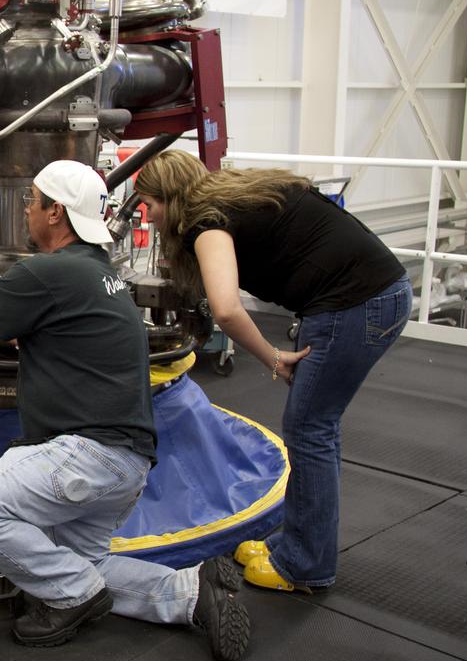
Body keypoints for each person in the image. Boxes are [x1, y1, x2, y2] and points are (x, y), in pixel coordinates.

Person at [0, 160, 250, 661]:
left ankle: (71, 596)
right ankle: (189, 593)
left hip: (83, 453)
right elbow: (2, 325)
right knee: (83, 561)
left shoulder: (49, 271)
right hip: (129, 463)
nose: (27, 210)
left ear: (55, 212)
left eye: (32, 201)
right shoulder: (98, 274)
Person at [133, 150, 411, 593]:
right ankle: (299, 545)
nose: (146, 215)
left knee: (310, 429)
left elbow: (225, 309)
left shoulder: (207, 222)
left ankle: (303, 566)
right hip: (383, 293)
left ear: (171, 196)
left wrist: (272, 357)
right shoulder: (242, 193)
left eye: (150, 203)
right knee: (316, 427)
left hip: (354, 306)